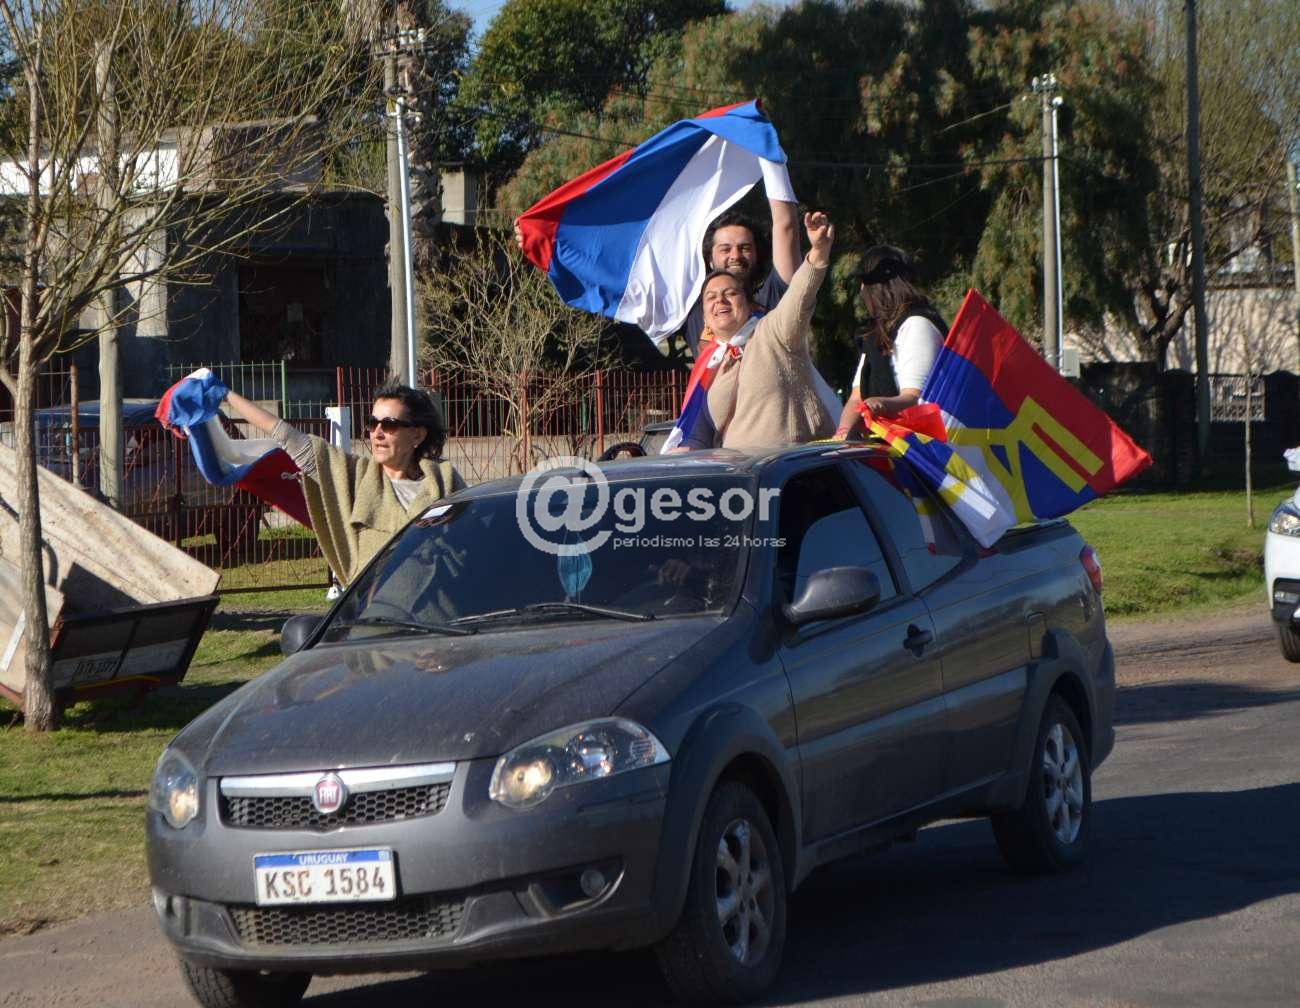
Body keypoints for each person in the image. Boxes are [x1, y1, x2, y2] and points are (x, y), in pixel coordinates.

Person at [222, 381, 465, 586]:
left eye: (389, 424)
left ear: (417, 434)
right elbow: (287, 435)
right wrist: (225, 395)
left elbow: (473, 542)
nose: (377, 433)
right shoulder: (354, 476)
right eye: (372, 423)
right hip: (375, 616)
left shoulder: (444, 481)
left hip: (443, 616)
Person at [681, 211, 838, 451]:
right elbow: (698, 434)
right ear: (704, 317)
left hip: (789, 465)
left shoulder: (772, 332)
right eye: (711, 297)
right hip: (736, 469)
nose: (720, 300)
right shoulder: (711, 365)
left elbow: (800, 293)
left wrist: (818, 252)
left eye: (730, 293)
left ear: (748, 304)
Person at [835, 245, 947, 439]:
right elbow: (856, 398)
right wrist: (843, 434)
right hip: (883, 447)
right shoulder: (873, 336)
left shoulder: (917, 325)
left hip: (919, 448)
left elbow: (916, 399)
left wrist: (880, 405)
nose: (861, 291)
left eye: (863, 283)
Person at [679, 198, 801, 355]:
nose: (735, 256)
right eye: (725, 249)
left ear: (757, 254)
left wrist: (776, 179)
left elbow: (786, 227)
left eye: (745, 248)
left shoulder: (773, 297)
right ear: (710, 259)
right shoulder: (692, 310)